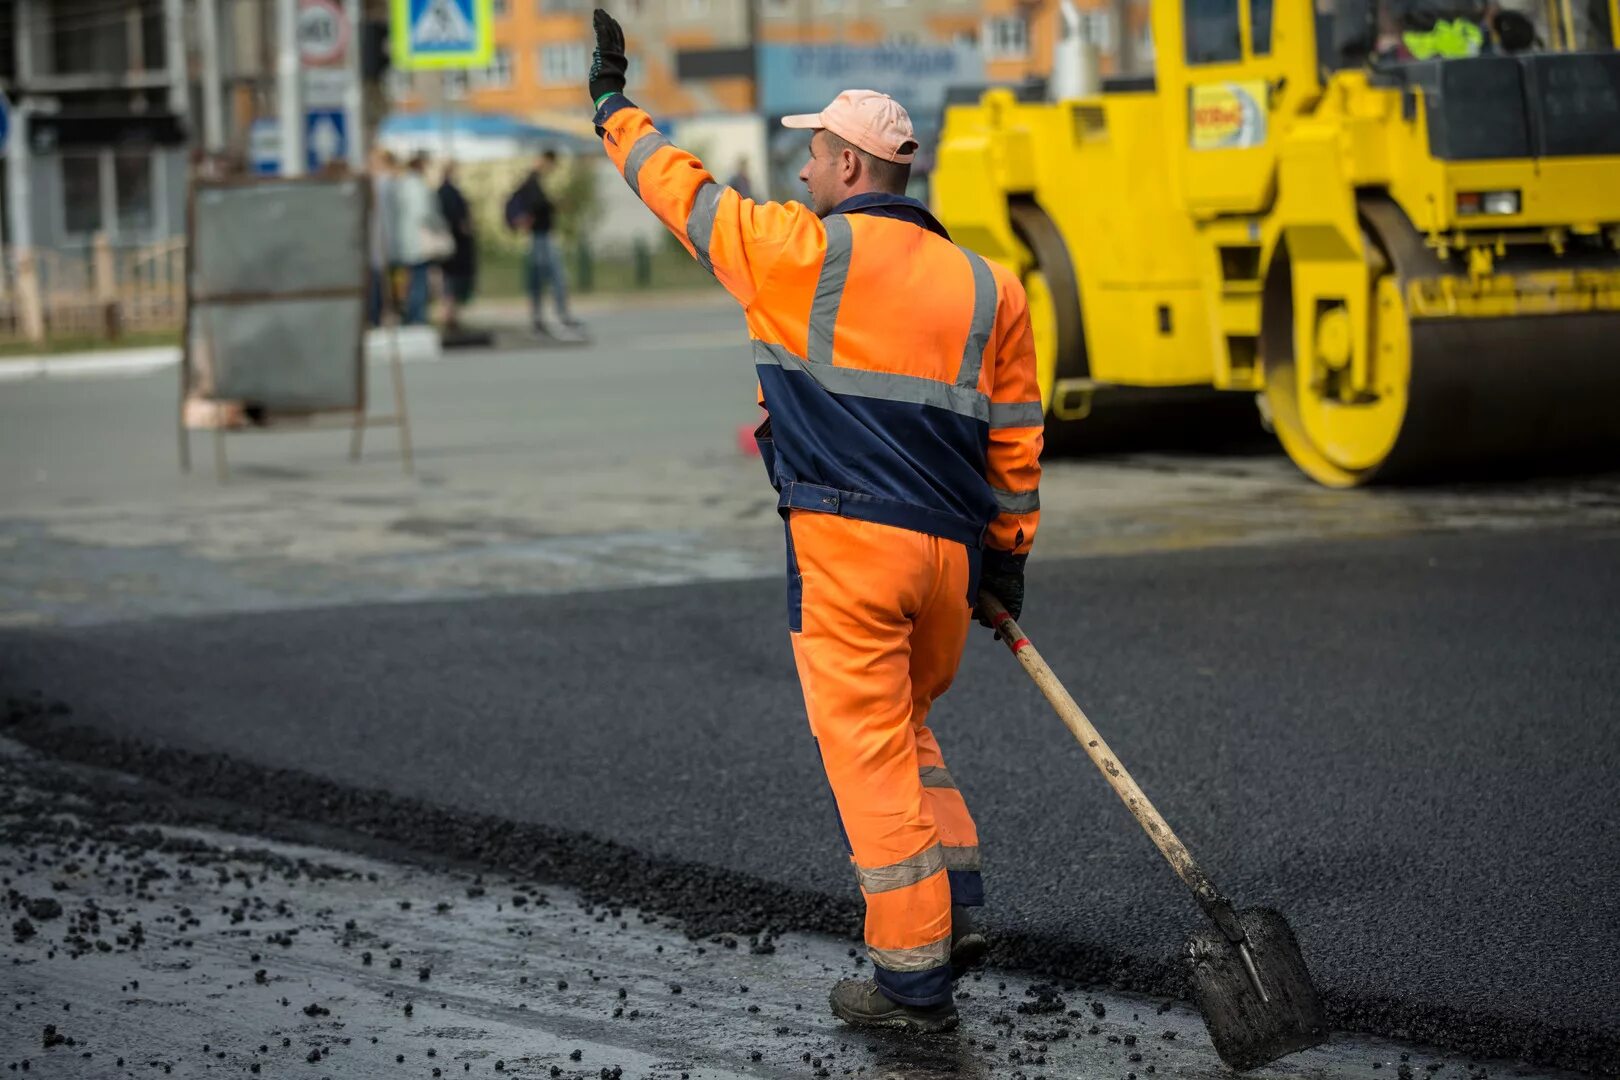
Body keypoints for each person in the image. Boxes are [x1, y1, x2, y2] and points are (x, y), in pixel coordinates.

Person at [586, 9, 1043, 1034]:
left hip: (848, 550)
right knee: (908, 726)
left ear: (848, 163)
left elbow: (682, 193)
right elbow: (1015, 441)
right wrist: (1006, 564)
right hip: (948, 562)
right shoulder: (991, 287)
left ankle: (910, 983)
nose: (799, 173)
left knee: (869, 754)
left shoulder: (797, 253)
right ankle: (956, 904)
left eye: (811, 156)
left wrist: (614, 109)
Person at [507, 150, 583, 337]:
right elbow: (536, 205)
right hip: (540, 237)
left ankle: (541, 318)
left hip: (540, 236)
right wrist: (554, 205)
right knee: (553, 277)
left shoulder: (532, 181)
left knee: (540, 278)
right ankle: (557, 316)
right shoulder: (532, 181)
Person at [392, 152, 447, 326]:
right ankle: (417, 317)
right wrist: (439, 226)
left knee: (412, 280)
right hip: (419, 242)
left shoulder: (401, 186)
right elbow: (424, 214)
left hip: (406, 241)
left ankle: (412, 314)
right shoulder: (418, 187)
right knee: (419, 281)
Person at [437, 160, 478, 333]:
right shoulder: (449, 193)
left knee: (450, 281)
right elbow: (455, 218)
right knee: (452, 281)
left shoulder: (444, 192)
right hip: (455, 245)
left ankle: (450, 314)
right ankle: (449, 315)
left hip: (453, 244)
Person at [367, 149, 398, 326]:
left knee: (378, 278)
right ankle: (376, 314)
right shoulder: (382, 183)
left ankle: (376, 315)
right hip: (377, 239)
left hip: (378, 238)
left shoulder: (382, 183)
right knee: (377, 279)